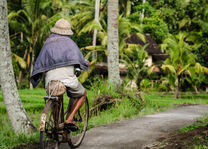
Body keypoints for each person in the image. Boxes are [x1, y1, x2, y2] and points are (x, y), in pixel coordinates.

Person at [30, 18, 90, 131]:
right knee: (83, 94)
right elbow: (78, 59)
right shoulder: (71, 44)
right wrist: (85, 63)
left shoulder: (47, 43)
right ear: (68, 32)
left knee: (55, 98)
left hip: (51, 79)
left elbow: (40, 62)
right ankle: (69, 119)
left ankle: (57, 124)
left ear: (55, 30)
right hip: (67, 78)